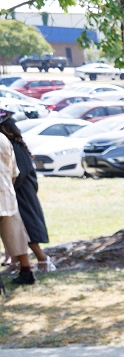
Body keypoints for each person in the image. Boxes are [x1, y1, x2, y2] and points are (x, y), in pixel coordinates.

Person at [1, 112, 52, 272]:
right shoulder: (9, 143)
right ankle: (18, 265)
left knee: (24, 232)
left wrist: (10, 190)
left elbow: (18, 173)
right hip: (12, 194)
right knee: (14, 234)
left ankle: (42, 261)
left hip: (20, 194)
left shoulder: (15, 146)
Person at [0, 110, 33, 285]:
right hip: (7, 195)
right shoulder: (4, 140)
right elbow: (15, 172)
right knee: (17, 235)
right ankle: (27, 272)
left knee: (16, 235)